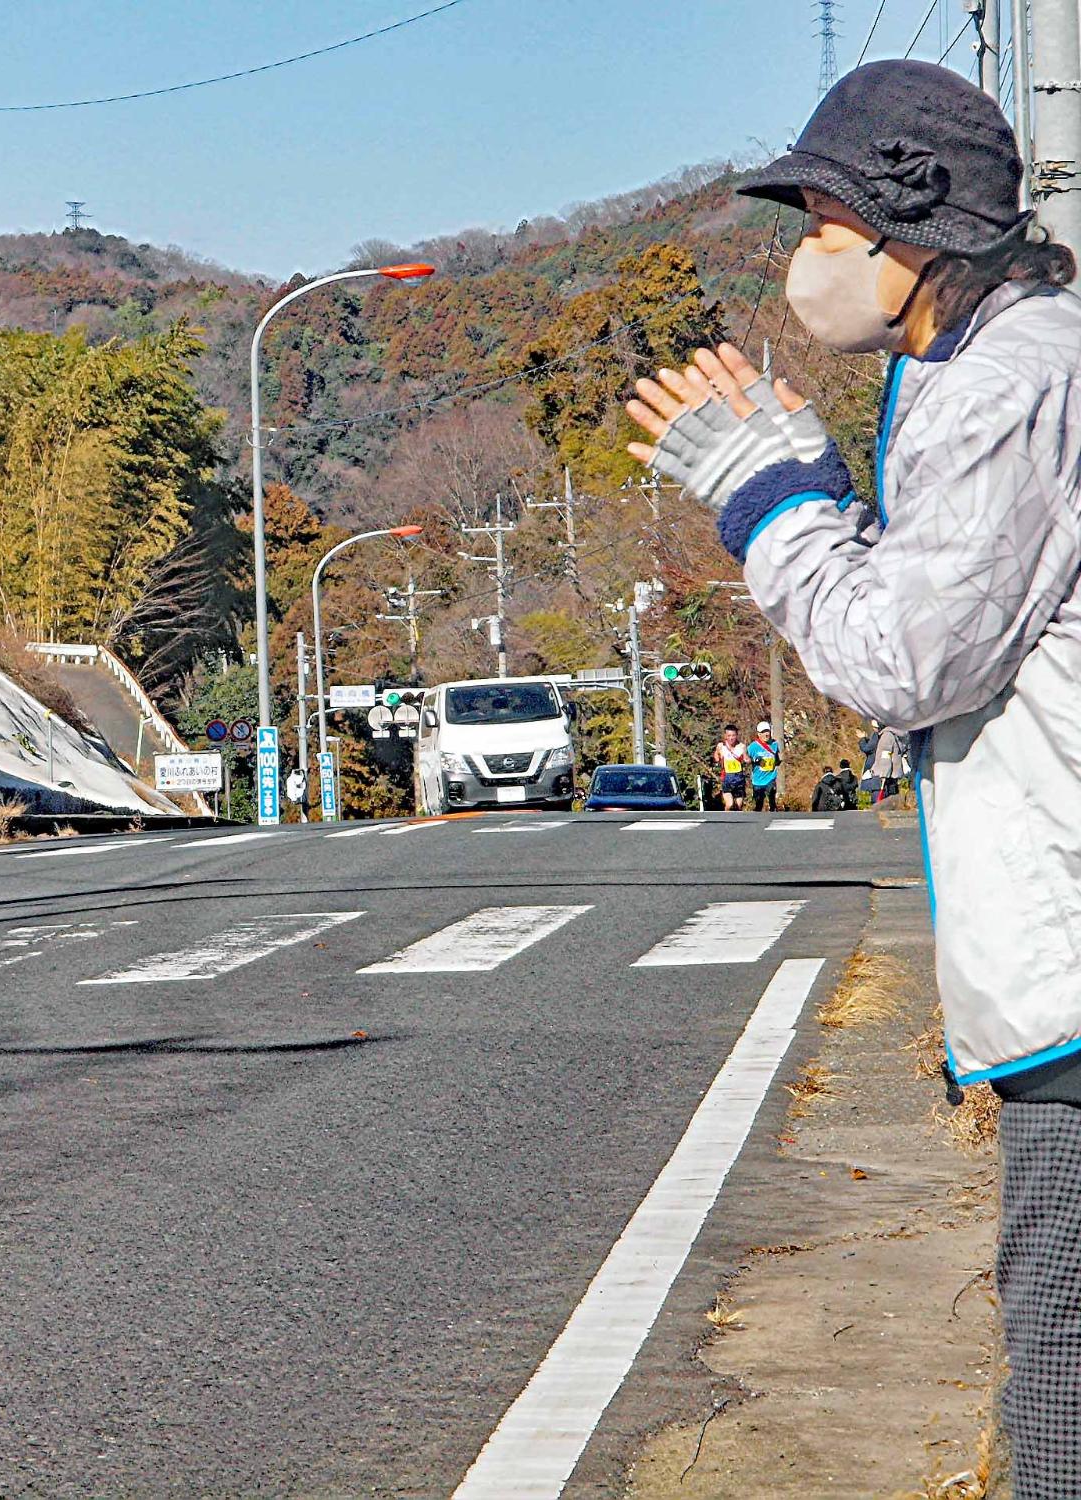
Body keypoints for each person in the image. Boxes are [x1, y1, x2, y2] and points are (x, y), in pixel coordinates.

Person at [624, 60, 1081, 1498]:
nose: (806, 255)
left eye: (826, 222)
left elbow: (905, 659)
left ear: (915, 230)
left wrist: (773, 502)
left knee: (1062, 1335)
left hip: (1076, 942)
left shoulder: (1010, 379)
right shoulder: (984, 365)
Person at [712, 723, 749, 810]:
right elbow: (716, 758)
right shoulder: (721, 747)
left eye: (733, 735)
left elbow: (746, 759)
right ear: (725, 736)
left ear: (737, 735)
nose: (731, 738)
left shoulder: (741, 747)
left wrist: (748, 760)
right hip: (727, 778)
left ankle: (737, 822)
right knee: (730, 804)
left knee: (739, 805)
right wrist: (717, 753)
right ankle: (726, 820)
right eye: (729, 735)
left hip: (739, 778)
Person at [748, 719, 782, 811]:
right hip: (758, 780)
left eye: (767, 731)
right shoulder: (753, 747)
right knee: (759, 804)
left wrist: (778, 761)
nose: (766, 734)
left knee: (772, 796)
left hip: (770, 777)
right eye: (763, 732)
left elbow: (777, 758)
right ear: (759, 734)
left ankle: (773, 814)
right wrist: (755, 761)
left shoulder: (774, 744)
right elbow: (746, 759)